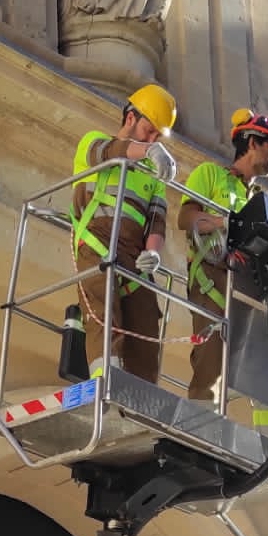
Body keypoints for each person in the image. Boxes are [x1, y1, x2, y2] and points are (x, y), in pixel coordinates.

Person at [178, 109, 268, 408]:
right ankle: (202, 423)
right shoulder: (210, 174)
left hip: (246, 283)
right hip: (212, 276)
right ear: (252, 142)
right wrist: (224, 223)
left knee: (265, 357)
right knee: (213, 355)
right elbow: (186, 218)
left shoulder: (260, 200)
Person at [71, 84, 177, 383]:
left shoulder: (151, 175)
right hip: (97, 242)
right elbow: (110, 152)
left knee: (145, 325)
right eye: (149, 130)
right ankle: (107, 381)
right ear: (130, 117)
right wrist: (148, 151)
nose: (153, 139)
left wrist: (153, 253)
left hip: (135, 256)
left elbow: (156, 221)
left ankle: (142, 395)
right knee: (104, 313)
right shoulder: (95, 142)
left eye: (158, 136)